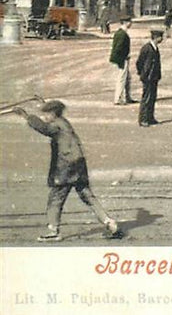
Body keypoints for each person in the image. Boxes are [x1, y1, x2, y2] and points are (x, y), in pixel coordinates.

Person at [12, 100, 122, 242]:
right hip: (79, 165)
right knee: (87, 196)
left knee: (56, 198)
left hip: (67, 167)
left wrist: (26, 116)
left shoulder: (57, 125)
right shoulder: (64, 122)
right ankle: (109, 223)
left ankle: (53, 230)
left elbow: (44, 129)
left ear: (52, 113)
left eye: (46, 115)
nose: (45, 118)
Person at [135, 29, 163, 127]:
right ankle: (143, 119)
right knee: (146, 98)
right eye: (160, 37)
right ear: (156, 38)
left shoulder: (155, 48)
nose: (162, 39)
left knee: (152, 98)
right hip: (147, 77)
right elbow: (139, 62)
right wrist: (142, 74)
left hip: (154, 77)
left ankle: (150, 117)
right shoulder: (147, 48)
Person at [109, 15, 136, 105]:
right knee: (122, 79)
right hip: (122, 59)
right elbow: (118, 48)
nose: (131, 23)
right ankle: (118, 99)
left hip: (123, 58)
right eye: (130, 22)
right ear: (125, 23)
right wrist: (123, 58)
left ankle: (127, 97)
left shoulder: (120, 32)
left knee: (127, 78)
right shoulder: (122, 34)